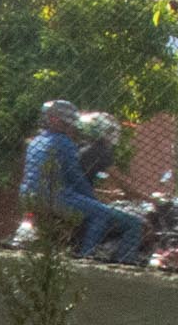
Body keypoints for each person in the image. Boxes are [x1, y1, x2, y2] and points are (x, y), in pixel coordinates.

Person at [17, 99, 143, 263]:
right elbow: (75, 177)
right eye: (70, 124)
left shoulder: (35, 141)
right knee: (101, 213)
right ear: (62, 122)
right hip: (56, 196)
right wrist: (93, 199)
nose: (73, 128)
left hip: (28, 194)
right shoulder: (64, 142)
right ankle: (85, 256)